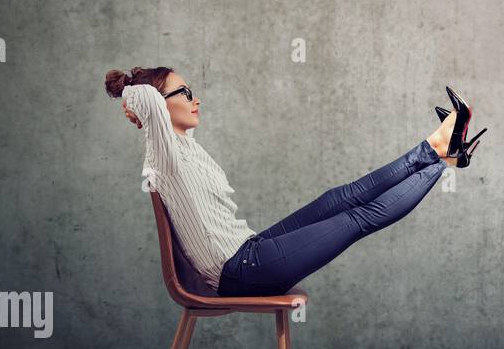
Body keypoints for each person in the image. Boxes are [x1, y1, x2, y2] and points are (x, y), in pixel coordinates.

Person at [106, 66, 484, 298]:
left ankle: (436, 145)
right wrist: (129, 92)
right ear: (157, 105)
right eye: (184, 93)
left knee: (343, 197)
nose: (195, 99)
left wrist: (144, 96)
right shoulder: (163, 153)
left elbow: (153, 102)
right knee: (357, 219)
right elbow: (144, 98)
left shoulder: (182, 145)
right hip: (240, 271)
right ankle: (446, 158)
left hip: (250, 248)